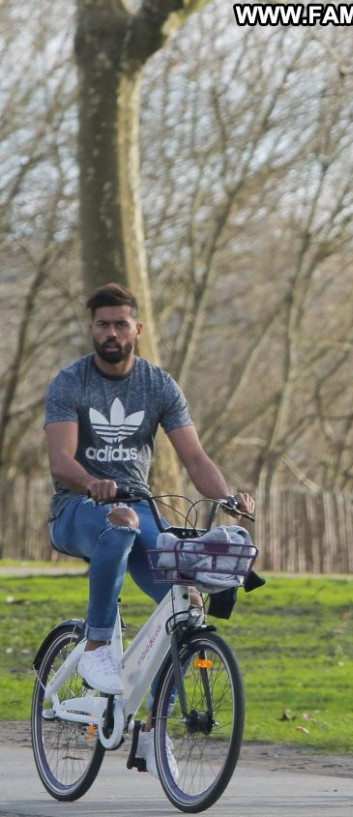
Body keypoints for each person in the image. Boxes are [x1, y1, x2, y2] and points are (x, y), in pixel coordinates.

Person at [44, 282, 255, 773]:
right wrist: (92, 482)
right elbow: (60, 461)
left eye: (121, 324)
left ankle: (151, 736)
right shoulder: (70, 382)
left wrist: (225, 497)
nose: (112, 333)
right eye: (103, 324)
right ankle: (96, 644)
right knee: (120, 521)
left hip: (139, 510)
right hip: (78, 510)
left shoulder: (159, 385)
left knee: (185, 605)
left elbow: (195, 457)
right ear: (92, 330)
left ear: (138, 329)